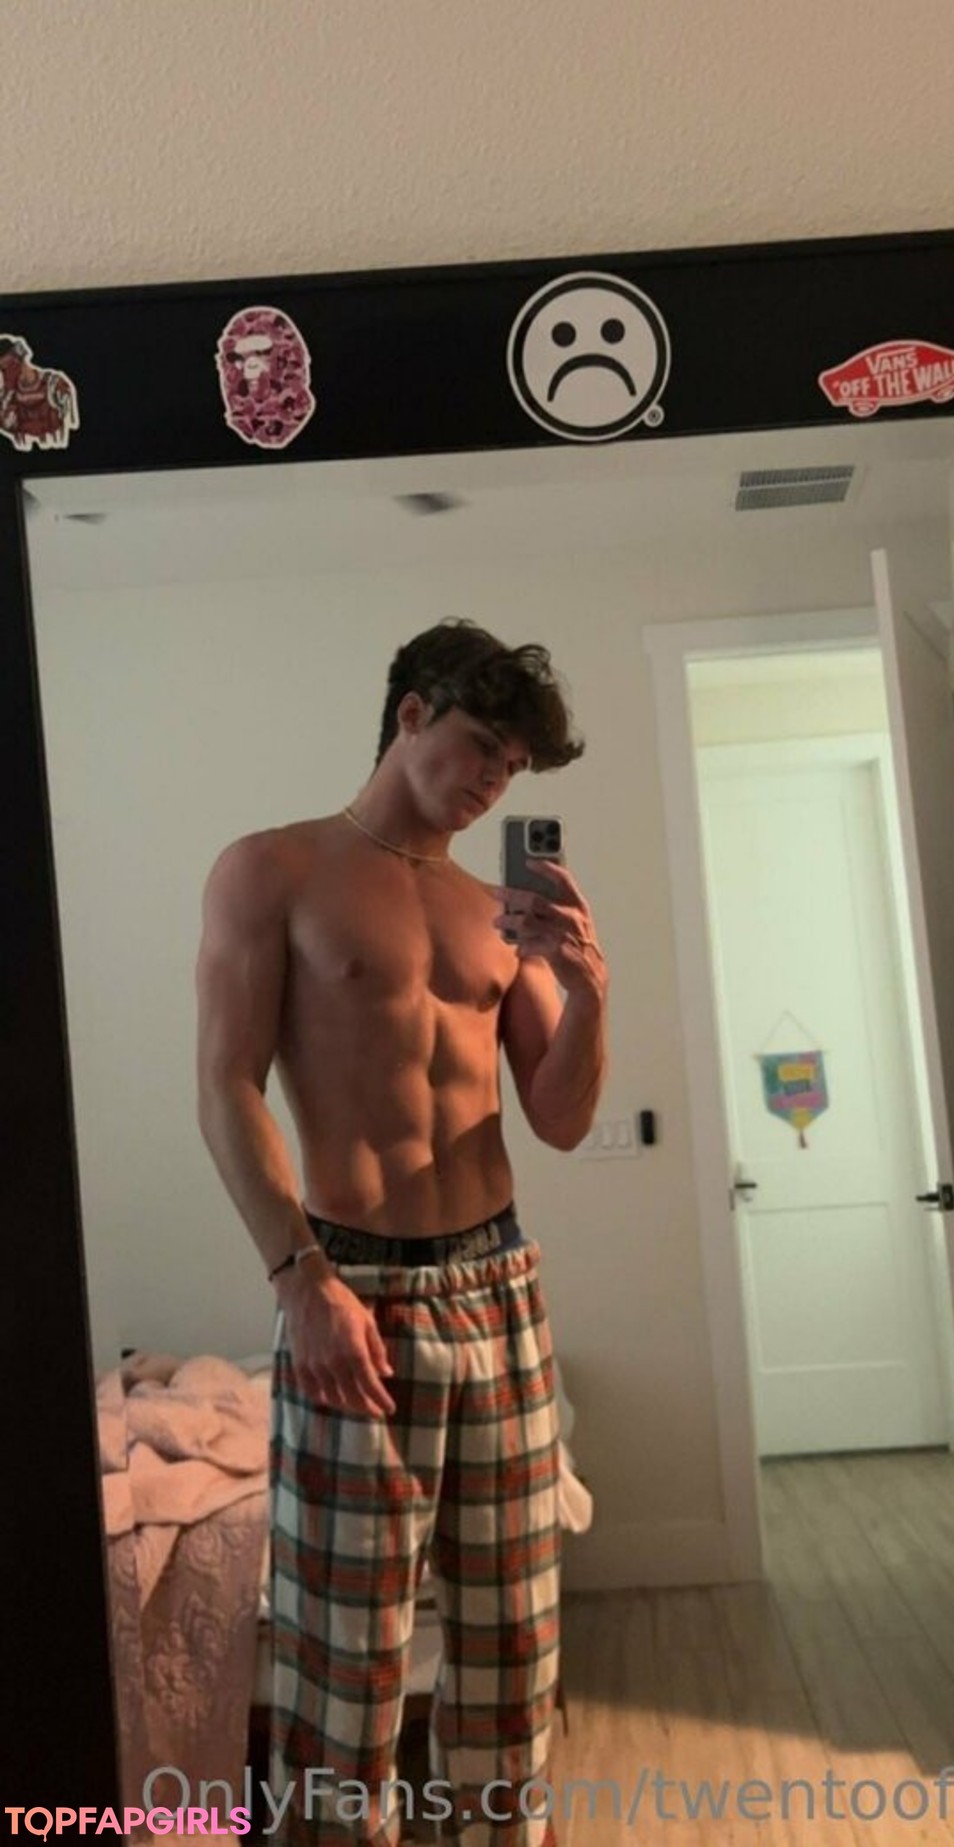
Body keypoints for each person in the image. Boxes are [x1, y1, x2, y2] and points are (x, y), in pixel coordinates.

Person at [195, 619, 608, 1847]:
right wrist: (299, 1276)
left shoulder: (497, 911)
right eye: (482, 745)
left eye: (514, 766)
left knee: (511, 1640)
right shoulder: (272, 868)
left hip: (499, 1284)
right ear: (412, 713)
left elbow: (561, 1117)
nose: (494, 781)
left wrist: (591, 992)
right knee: (346, 1650)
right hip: (353, 1289)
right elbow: (225, 1084)